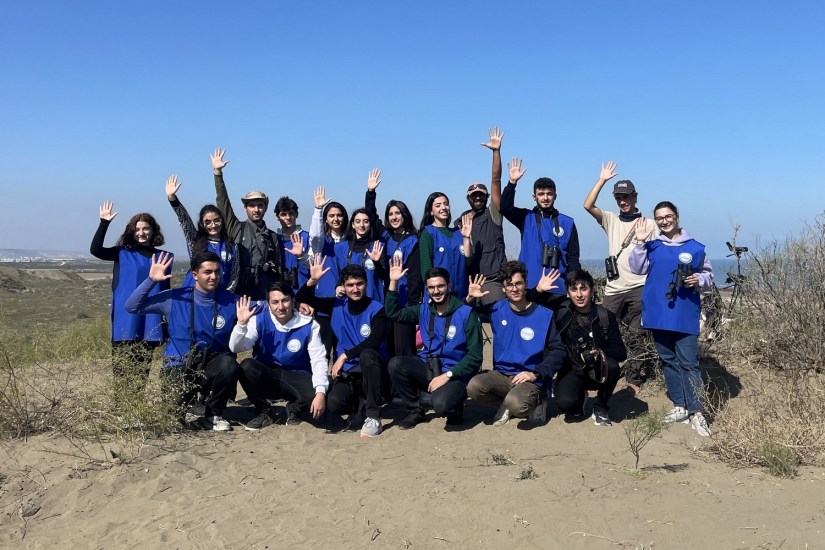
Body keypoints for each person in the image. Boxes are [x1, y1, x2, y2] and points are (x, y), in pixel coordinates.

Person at [125, 251, 242, 432]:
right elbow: (132, 307)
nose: (214, 276)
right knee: (174, 422)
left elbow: (269, 307)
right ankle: (176, 413)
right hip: (178, 365)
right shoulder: (174, 298)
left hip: (211, 364)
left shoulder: (231, 300)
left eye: (217, 272)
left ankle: (212, 416)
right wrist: (151, 280)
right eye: (208, 272)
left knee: (229, 365)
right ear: (195, 275)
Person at [629, 201, 714, 437]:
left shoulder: (695, 247)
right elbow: (636, 268)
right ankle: (680, 406)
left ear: (676, 216)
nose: (664, 221)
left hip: (684, 313)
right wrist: (639, 242)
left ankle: (697, 412)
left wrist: (699, 280)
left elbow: (708, 277)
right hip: (658, 313)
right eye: (659, 218)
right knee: (668, 360)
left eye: (668, 216)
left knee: (689, 363)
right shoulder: (652, 246)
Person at [582, 162, 656, 392]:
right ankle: (601, 370)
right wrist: (602, 180)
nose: (623, 201)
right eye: (618, 197)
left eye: (626, 196)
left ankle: (633, 378)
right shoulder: (611, 219)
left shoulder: (650, 224)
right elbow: (587, 205)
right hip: (614, 287)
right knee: (601, 330)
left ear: (635, 196)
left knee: (637, 335)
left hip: (639, 286)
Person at [385, 257, 483, 429]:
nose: (436, 291)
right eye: (431, 287)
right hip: (430, 367)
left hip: (455, 374)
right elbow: (393, 313)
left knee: (441, 405)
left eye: (440, 286)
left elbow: (475, 357)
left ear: (449, 286)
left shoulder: (466, 314)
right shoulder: (423, 310)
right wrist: (393, 282)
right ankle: (415, 411)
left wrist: (448, 375)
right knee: (396, 364)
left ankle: (455, 407)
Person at [297, 257, 389, 438]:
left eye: (359, 284)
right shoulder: (336, 305)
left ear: (366, 284)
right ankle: (358, 403)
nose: (355, 289)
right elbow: (301, 298)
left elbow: (373, 341)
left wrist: (344, 356)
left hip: (372, 370)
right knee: (334, 404)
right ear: (343, 287)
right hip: (348, 373)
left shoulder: (378, 309)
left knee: (367, 354)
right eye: (350, 285)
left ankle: (373, 416)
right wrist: (313, 280)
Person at [90, 201, 172, 402]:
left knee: (142, 370)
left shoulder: (164, 257)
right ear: (131, 232)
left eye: (146, 229)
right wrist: (103, 223)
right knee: (122, 370)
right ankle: (121, 410)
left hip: (150, 320)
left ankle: (136, 410)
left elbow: (165, 292)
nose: (141, 233)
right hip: (124, 320)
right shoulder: (121, 253)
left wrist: (167, 321)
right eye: (137, 229)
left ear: (153, 231)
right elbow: (96, 250)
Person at [466, 261, 565, 426]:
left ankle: (538, 402)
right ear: (503, 288)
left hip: (530, 378)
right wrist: (470, 298)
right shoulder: (496, 309)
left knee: (517, 404)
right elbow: (465, 315)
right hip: (502, 375)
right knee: (474, 387)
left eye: (518, 283)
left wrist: (536, 373)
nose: (515, 288)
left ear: (526, 284)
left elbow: (558, 351)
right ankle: (504, 405)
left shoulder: (544, 314)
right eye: (509, 285)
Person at [230, 282, 328, 430]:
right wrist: (241, 325)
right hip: (269, 376)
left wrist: (320, 392)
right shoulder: (259, 320)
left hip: (297, 376)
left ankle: (294, 409)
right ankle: (264, 412)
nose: (281, 307)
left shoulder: (309, 325)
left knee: (319, 395)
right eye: (275, 302)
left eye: (285, 300)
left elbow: (318, 359)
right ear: (268, 304)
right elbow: (235, 347)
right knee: (247, 366)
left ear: (293, 301)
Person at [552, 269, 627, 426]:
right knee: (567, 405)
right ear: (568, 293)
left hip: (598, 371)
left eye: (584, 289)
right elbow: (531, 302)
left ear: (592, 290)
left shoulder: (605, 316)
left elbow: (621, 352)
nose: (579, 295)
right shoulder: (561, 313)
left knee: (613, 366)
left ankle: (601, 406)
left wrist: (599, 353)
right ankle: (579, 397)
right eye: (574, 289)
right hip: (572, 368)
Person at [500, 158, 581, 295]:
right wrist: (512, 183)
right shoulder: (526, 217)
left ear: (555, 196)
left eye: (549, 194)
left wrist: (574, 285)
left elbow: (573, 258)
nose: (545, 198)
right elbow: (505, 208)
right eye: (541, 194)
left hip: (559, 288)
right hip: (530, 286)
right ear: (534, 196)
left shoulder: (568, 223)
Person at [211, 147, 282, 300]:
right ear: (245, 208)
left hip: (264, 294)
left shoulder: (273, 237)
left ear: (265, 208)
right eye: (252, 205)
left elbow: (278, 270)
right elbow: (223, 203)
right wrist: (218, 174)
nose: (256, 209)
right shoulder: (237, 228)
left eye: (260, 205)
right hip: (239, 292)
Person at [364, 168, 422, 356]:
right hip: (383, 299)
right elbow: (371, 216)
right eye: (390, 214)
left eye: (397, 213)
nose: (394, 217)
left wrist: (412, 305)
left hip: (403, 301)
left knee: (403, 348)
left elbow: (415, 276)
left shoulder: (413, 241)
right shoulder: (384, 236)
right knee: (385, 346)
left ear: (405, 215)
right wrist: (371, 192)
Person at [455, 127, 507, 304]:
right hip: (467, 282)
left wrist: (496, 152)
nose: (478, 198)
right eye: (474, 196)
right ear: (468, 198)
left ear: (487, 197)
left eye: (481, 195)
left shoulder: (493, 214)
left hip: (492, 281)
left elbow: (496, 180)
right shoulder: (460, 221)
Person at [165, 174, 239, 293]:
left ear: (222, 221)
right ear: (201, 224)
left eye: (217, 220)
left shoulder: (232, 246)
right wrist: (173, 199)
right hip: (193, 295)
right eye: (207, 222)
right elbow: (184, 220)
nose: (213, 225)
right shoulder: (195, 240)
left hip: (220, 297)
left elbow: (234, 276)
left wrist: (226, 295)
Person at [308, 186, 350, 354]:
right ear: (325, 219)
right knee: (323, 349)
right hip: (324, 303)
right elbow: (314, 235)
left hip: (347, 302)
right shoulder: (321, 243)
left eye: (339, 215)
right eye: (331, 215)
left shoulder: (350, 242)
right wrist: (318, 210)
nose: (336, 219)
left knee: (344, 348)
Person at [419, 192, 473, 300]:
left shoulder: (458, 233)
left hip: (461, 294)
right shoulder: (428, 233)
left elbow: (469, 264)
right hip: (439, 295)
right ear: (431, 211)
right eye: (438, 205)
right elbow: (426, 268)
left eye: (446, 204)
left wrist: (466, 238)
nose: (443, 207)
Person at [330, 204, 386, 302]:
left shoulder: (377, 247)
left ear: (370, 224)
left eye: (366, 221)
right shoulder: (340, 248)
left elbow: (384, 277)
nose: (361, 225)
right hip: (348, 302)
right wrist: (338, 286)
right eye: (358, 221)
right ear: (353, 224)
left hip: (372, 301)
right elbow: (339, 274)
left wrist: (376, 262)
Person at [273, 196, 311, 294]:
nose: (288, 217)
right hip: (280, 293)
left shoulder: (307, 237)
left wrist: (302, 256)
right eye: (283, 214)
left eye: (291, 213)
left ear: (296, 214)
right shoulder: (273, 239)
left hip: (303, 291)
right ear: (277, 217)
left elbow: (314, 264)